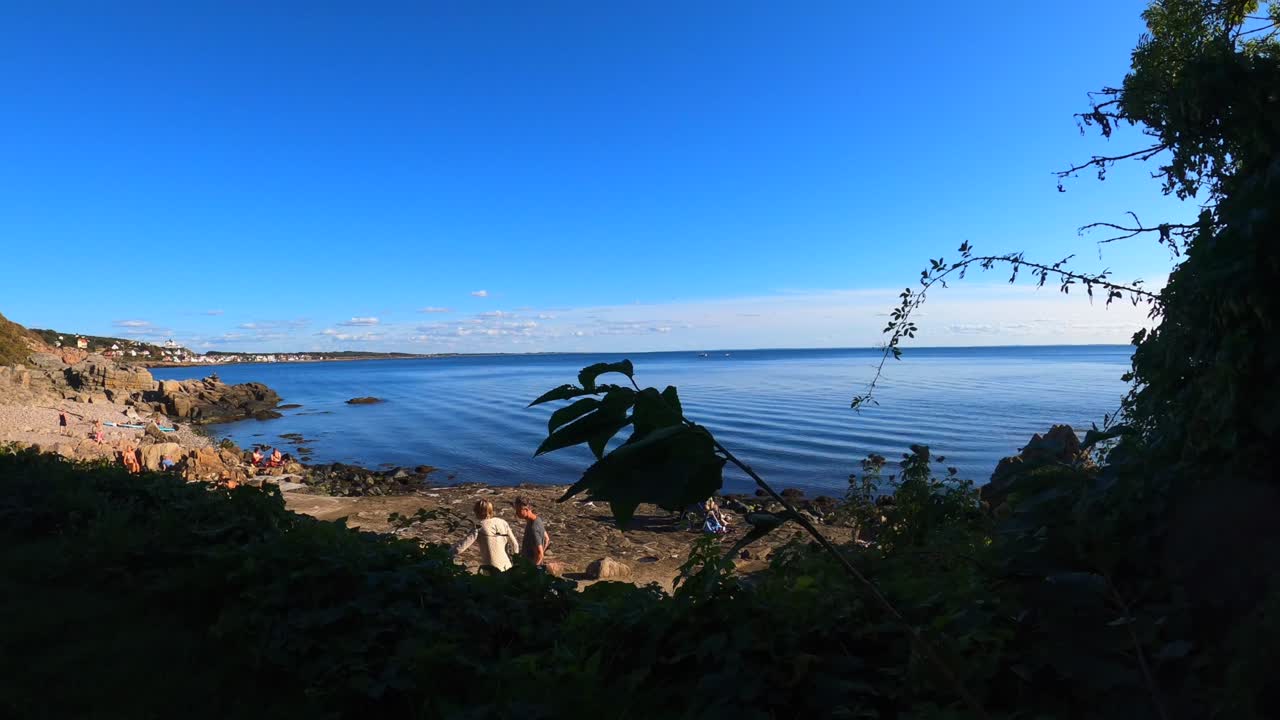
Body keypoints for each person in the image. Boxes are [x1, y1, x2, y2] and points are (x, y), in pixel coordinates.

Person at [451, 499, 520, 573]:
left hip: (491, 568)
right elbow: (515, 544)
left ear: (478, 512)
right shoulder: (503, 522)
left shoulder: (479, 527)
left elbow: (461, 547)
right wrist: (515, 561)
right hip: (507, 565)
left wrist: (446, 553)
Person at [514, 496, 551, 566]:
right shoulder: (537, 519)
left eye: (518, 511)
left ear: (526, 509)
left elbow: (540, 553)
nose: (516, 513)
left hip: (530, 565)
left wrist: (532, 570)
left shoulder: (533, 528)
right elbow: (547, 539)